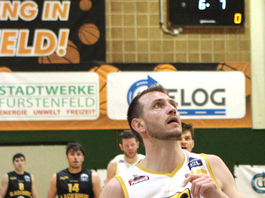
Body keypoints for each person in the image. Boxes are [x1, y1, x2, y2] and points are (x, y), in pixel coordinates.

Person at [100, 84, 243, 198]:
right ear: (139, 125)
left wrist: (217, 195)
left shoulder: (211, 164)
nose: (172, 109)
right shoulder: (119, 187)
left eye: (173, 104)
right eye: (158, 105)